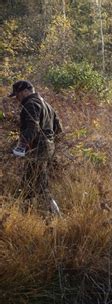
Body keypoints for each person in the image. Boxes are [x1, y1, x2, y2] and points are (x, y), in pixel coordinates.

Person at [8, 80, 63, 216]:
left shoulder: (31, 104)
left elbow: (33, 127)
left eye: (18, 94)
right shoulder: (47, 104)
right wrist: (49, 144)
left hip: (37, 150)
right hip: (47, 148)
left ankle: (57, 216)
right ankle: (23, 214)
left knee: (38, 185)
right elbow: (59, 130)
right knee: (30, 184)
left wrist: (21, 147)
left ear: (26, 91)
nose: (17, 98)